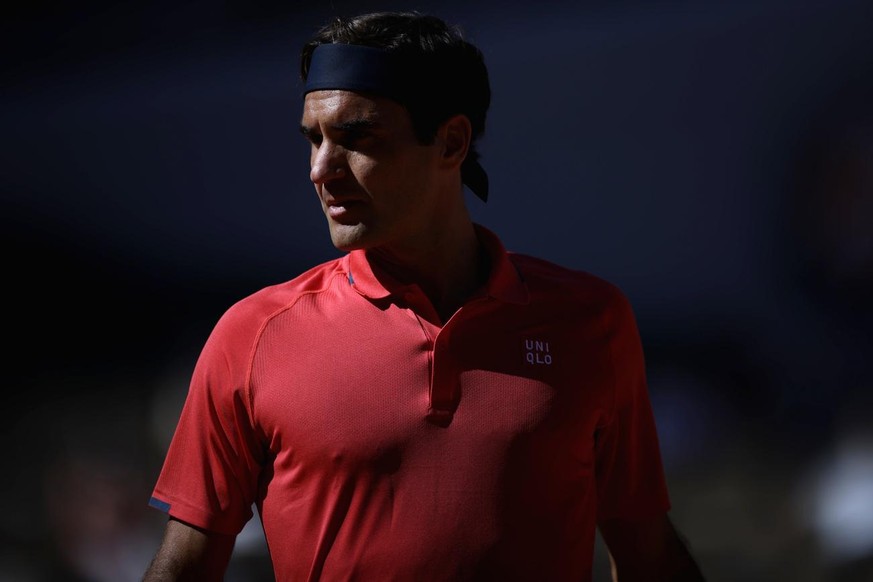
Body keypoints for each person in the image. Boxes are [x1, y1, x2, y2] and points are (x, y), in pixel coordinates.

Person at [142, 10, 706, 582]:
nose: (321, 169)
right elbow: (185, 568)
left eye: (357, 137)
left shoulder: (592, 322)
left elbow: (648, 554)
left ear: (451, 141)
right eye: (314, 139)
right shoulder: (253, 334)